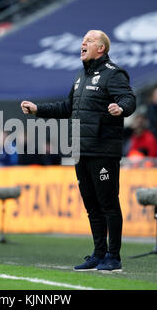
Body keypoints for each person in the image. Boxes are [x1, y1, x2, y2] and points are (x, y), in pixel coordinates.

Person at [21, 30, 136, 271]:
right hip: (80, 151)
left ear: (101, 48)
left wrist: (121, 108)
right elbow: (66, 107)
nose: (83, 43)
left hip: (103, 151)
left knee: (108, 203)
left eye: (89, 40)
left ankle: (113, 257)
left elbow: (129, 99)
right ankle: (98, 253)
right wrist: (37, 110)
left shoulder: (113, 74)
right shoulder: (80, 78)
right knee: (92, 205)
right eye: (83, 40)